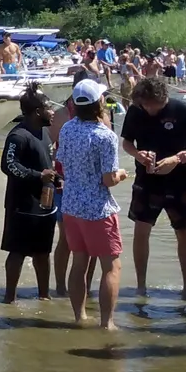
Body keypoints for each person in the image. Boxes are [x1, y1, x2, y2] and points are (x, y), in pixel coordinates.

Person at [120, 74, 186, 298]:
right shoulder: (136, 111)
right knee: (141, 230)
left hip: (180, 179)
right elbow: (126, 142)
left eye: (151, 105)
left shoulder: (183, 110)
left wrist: (176, 159)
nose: (147, 109)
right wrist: (138, 155)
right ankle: (141, 286)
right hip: (146, 180)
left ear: (163, 98)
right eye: (143, 104)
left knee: (183, 231)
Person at [58, 79, 128, 330]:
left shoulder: (67, 129)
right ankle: (107, 323)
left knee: (79, 262)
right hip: (98, 208)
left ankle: (80, 317)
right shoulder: (105, 136)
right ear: (99, 103)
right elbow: (108, 180)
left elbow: (63, 164)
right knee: (112, 265)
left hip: (71, 205)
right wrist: (121, 174)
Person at [0, 85, 58, 301]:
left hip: (45, 204)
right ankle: (9, 299)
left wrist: (56, 181)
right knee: (18, 252)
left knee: (43, 252)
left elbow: (46, 163)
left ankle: (44, 296)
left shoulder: (44, 132)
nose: (53, 111)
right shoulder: (18, 136)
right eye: (49, 107)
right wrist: (37, 176)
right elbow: (8, 165)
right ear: (37, 111)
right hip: (21, 205)